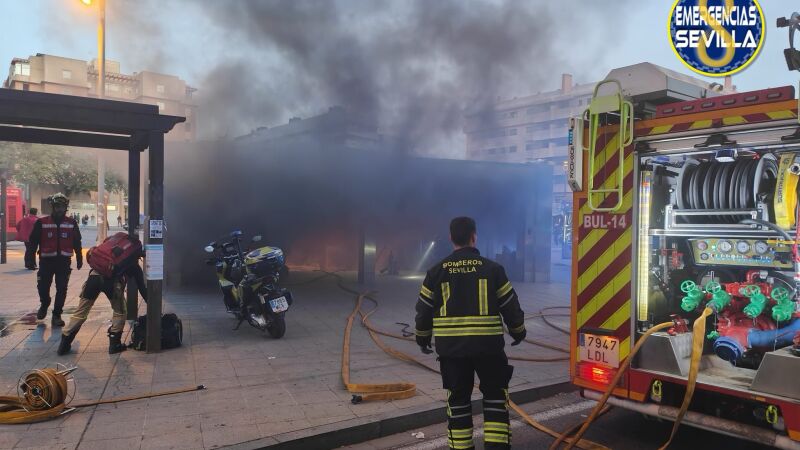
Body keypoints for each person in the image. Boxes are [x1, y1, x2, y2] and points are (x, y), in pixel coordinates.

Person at [415, 217, 526, 450]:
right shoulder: (493, 270)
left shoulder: (436, 272)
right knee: (495, 399)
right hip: (489, 349)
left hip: (452, 352)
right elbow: (511, 307)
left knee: (457, 402)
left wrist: (422, 339)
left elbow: (423, 312)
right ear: (474, 236)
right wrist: (518, 332)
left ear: (451, 238)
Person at [58, 248, 147, 355]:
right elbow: (142, 289)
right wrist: (153, 305)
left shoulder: (111, 250)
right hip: (112, 284)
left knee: (80, 313)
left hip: (93, 279)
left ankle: (64, 343)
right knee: (120, 312)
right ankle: (114, 345)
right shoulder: (134, 266)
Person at [29, 194, 82, 327]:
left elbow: (77, 241)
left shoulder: (72, 223)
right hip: (46, 262)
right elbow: (33, 241)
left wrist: (79, 257)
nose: (60, 209)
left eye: (62, 206)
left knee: (62, 289)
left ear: (66, 207)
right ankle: (45, 303)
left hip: (64, 262)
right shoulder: (42, 222)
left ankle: (57, 315)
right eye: (57, 206)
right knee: (42, 287)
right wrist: (30, 258)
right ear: (53, 207)